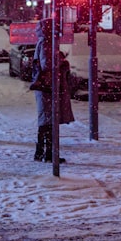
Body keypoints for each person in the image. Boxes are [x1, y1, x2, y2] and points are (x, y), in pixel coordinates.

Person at [29, 18, 74, 162]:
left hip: (45, 88)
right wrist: (62, 63)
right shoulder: (47, 43)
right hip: (48, 88)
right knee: (49, 119)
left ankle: (42, 152)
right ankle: (47, 153)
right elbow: (48, 65)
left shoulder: (43, 42)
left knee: (46, 119)